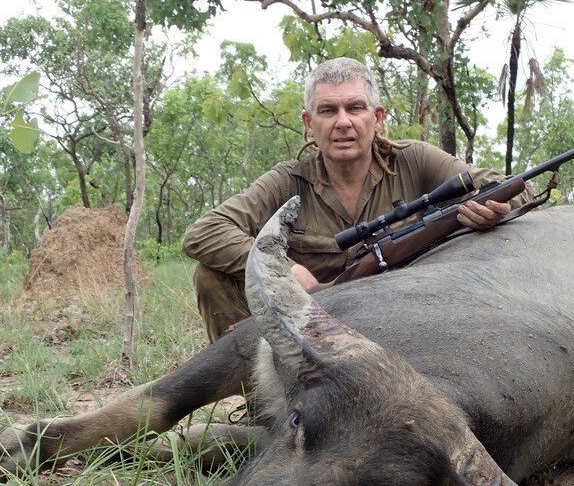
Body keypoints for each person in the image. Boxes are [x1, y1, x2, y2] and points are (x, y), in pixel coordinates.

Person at [182, 57, 534, 342]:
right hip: (307, 322)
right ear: (309, 123)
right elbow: (204, 232)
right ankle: (257, 397)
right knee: (210, 274)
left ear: (377, 118)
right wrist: (287, 269)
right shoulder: (287, 180)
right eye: (328, 111)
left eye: (355, 108)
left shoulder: (415, 159)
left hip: (404, 318)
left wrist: (497, 210)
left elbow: (511, 188)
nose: (343, 122)